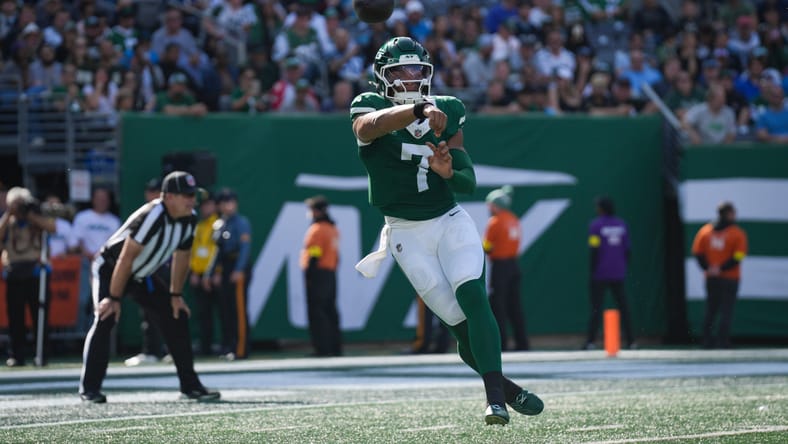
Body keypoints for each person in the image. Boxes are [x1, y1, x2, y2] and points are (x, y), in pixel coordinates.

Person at [351, 36, 543, 426]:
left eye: (418, 70)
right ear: (383, 78)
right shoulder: (369, 105)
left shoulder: (449, 109)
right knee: (460, 328)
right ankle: (504, 386)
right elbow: (369, 127)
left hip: (448, 219)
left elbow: (468, 182)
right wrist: (415, 109)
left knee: (473, 295)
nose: (412, 77)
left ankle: (494, 401)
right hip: (405, 231)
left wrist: (448, 172)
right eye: (402, 71)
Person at [79, 171, 220, 403]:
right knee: (105, 317)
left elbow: (182, 257)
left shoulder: (189, 217)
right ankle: (89, 388)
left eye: (193, 195)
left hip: (143, 274)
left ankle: (190, 385)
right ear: (169, 197)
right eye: (186, 195)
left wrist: (175, 294)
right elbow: (125, 258)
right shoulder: (153, 215)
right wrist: (113, 297)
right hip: (111, 268)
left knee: (177, 315)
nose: (192, 200)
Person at [0, 187, 55, 367]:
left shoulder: (36, 219)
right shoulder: (8, 221)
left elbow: (52, 227)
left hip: (35, 271)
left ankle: (42, 353)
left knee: (40, 315)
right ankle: (16, 354)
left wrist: (30, 215)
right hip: (15, 271)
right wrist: (9, 214)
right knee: (15, 317)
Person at [691, 201, 748, 349]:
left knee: (711, 309)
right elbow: (739, 256)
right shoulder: (737, 233)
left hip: (712, 277)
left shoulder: (705, 231)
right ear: (728, 214)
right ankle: (722, 341)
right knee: (726, 310)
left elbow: (698, 253)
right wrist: (721, 268)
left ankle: (707, 340)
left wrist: (709, 268)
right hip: (729, 278)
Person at [124, 178, 168, 366]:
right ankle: (152, 350)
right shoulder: (144, 214)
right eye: (150, 191)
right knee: (148, 311)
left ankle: (168, 349)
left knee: (167, 309)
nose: (153, 195)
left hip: (162, 267)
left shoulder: (167, 215)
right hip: (147, 268)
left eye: (156, 191)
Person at [583, 196, 636, 350]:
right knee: (624, 307)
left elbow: (594, 249)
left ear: (601, 208)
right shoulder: (622, 225)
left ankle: (591, 342)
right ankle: (631, 342)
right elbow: (628, 250)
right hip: (618, 273)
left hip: (600, 272)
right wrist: (622, 267)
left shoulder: (595, 226)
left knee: (596, 308)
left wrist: (593, 272)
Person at [206, 188, 252, 361]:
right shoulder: (219, 224)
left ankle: (241, 349)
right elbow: (216, 251)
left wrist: (239, 270)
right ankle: (229, 346)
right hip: (225, 268)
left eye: (230, 202)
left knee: (239, 310)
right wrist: (210, 273)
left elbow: (245, 249)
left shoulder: (241, 223)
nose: (227, 206)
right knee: (226, 310)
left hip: (237, 267)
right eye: (224, 202)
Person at [483, 186, 529, 352]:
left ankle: (501, 344)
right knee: (515, 306)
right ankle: (522, 342)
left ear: (496, 205)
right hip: (514, 266)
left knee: (498, 306)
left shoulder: (495, 222)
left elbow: (487, 247)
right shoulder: (514, 219)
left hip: (501, 267)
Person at [299, 195, 342, 357]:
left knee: (318, 313)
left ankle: (323, 349)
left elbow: (314, 254)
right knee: (331, 311)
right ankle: (334, 347)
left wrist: (309, 275)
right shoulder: (333, 229)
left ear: (316, 212)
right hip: (330, 274)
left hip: (318, 274)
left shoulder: (317, 230)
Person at [189, 190, 220, 356]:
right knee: (202, 313)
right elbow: (194, 250)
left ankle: (226, 345)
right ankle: (205, 346)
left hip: (214, 275)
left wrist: (214, 272)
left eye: (208, 205)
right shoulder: (199, 226)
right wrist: (194, 271)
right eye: (203, 206)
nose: (205, 209)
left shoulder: (219, 224)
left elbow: (217, 250)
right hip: (199, 275)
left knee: (222, 311)